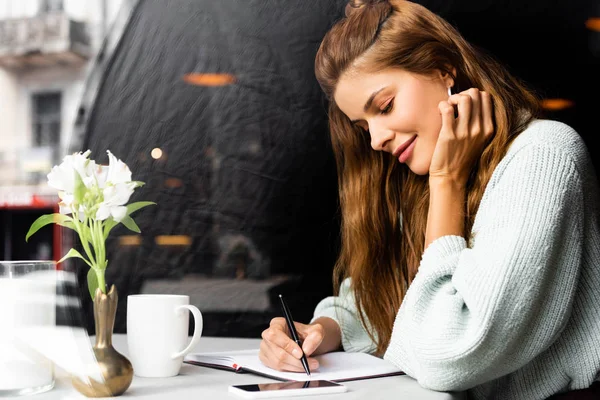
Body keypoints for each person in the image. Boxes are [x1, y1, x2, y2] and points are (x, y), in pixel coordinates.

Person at [258, 0, 600, 399]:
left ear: (442, 69)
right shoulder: (423, 179)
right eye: (363, 125)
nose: (375, 139)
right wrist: (319, 333)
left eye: (384, 106)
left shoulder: (543, 156)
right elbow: (378, 300)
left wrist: (447, 184)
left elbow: (447, 355)